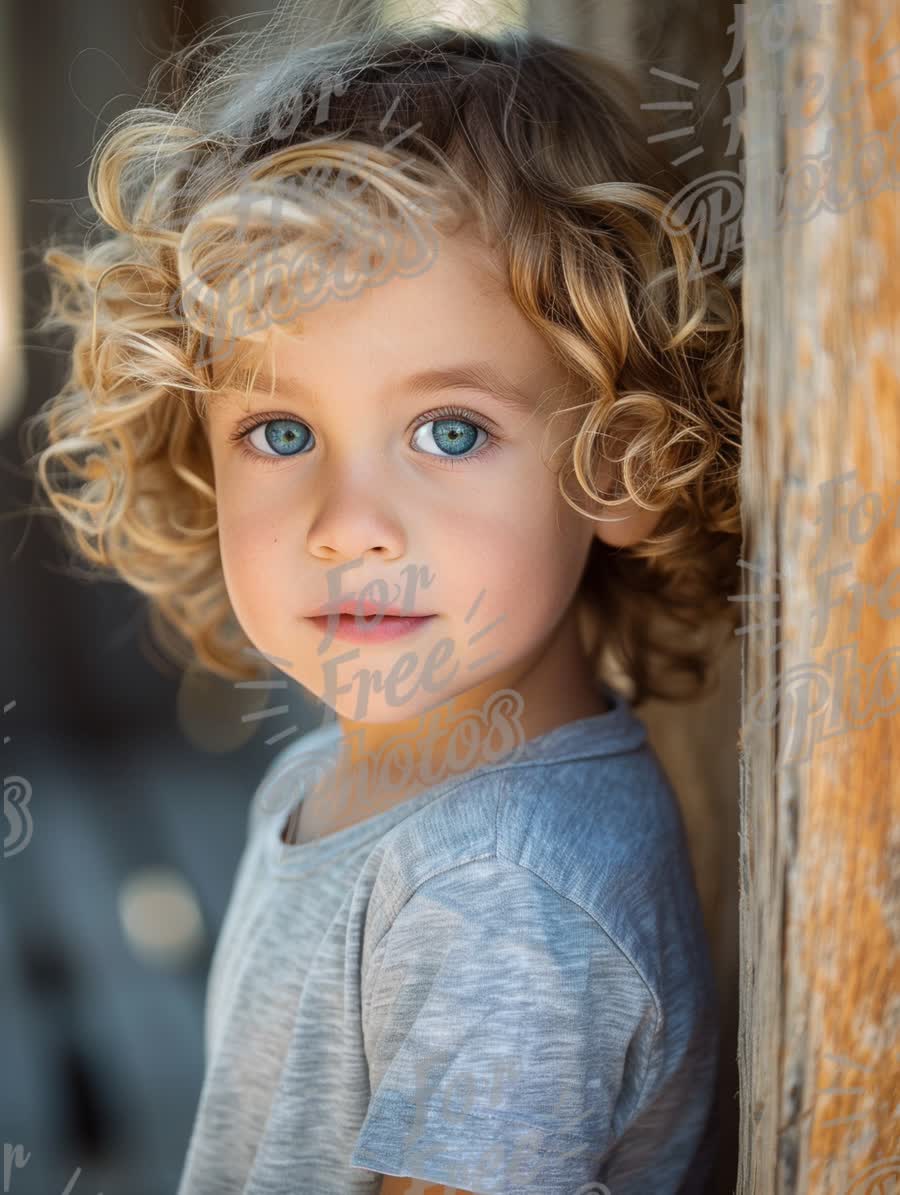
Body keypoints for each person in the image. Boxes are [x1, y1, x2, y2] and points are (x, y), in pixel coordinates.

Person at [24, 6, 744, 1192]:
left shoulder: (500, 898)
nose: (347, 520)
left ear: (616, 461)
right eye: (281, 428)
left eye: (449, 429)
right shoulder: (342, 776)